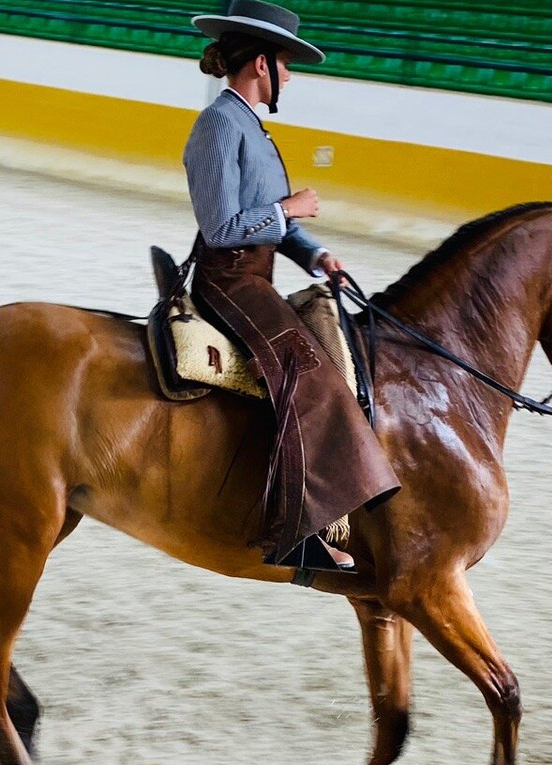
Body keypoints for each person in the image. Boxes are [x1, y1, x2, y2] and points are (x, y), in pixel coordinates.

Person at [184, 0, 400, 572]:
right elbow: (223, 227)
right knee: (307, 371)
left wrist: (315, 252)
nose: (290, 74)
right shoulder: (218, 126)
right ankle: (295, 531)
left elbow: (274, 224)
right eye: (286, 63)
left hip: (257, 273)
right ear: (261, 64)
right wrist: (289, 206)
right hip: (227, 279)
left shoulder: (253, 128)